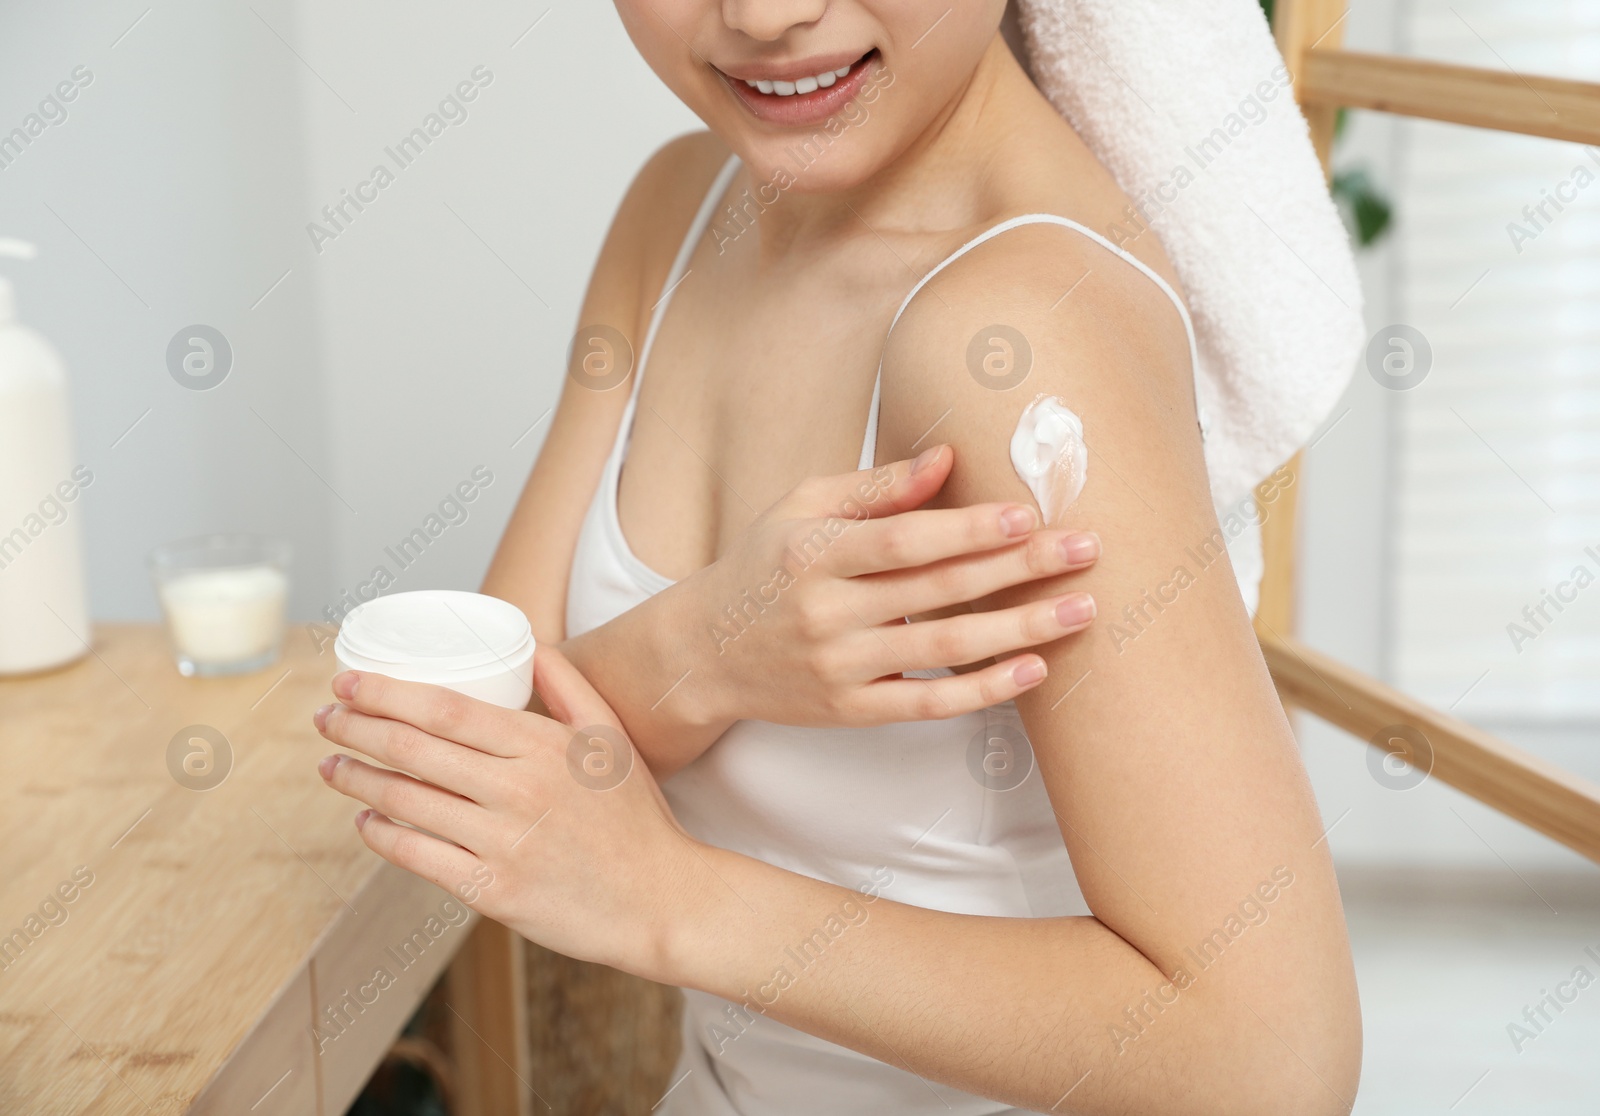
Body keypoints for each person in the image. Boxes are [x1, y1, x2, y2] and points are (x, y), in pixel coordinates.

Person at [313, 1, 1363, 1111]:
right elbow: (480, 767)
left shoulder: (1018, 339)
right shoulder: (677, 214)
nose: (767, 14)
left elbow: (1270, 1064)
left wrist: (677, 902)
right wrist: (708, 647)